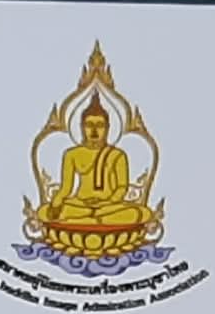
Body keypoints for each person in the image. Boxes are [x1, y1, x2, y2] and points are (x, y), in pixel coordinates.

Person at [43, 93, 155, 228]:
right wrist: (56, 202)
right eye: (89, 125)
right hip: (80, 204)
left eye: (100, 125)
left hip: (108, 206)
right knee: (50, 211)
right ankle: (94, 219)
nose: (94, 131)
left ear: (107, 128)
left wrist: (108, 202)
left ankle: (88, 220)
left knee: (137, 213)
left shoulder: (117, 155)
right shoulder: (71, 154)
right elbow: (66, 189)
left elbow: (122, 188)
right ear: (82, 127)